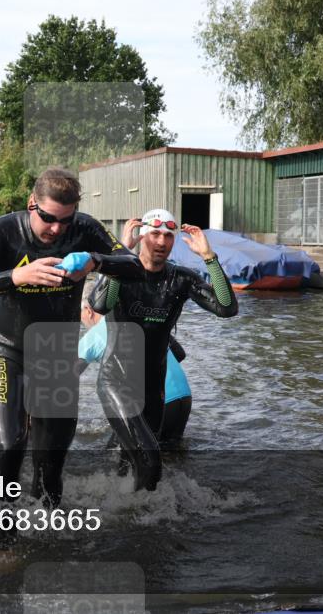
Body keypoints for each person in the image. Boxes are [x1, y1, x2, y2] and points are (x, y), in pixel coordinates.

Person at [0, 167, 144, 509]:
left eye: (65, 220)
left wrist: (95, 260)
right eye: (48, 218)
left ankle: (48, 535)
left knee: (51, 460)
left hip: (57, 355)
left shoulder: (84, 228)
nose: (57, 228)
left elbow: (134, 265)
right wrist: (16, 275)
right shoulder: (4, 230)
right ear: (33, 203)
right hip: (9, 351)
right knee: (9, 446)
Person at [87, 209, 237, 491]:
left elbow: (227, 307)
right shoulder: (125, 271)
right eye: (155, 233)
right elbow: (99, 305)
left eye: (168, 235)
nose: (162, 240)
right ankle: (140, 518)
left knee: (130, 460)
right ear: (143, 236)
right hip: (116, 382)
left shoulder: (180, 279)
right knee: (151, 460)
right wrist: (120, 256)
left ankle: (122, 512)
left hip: (153, 390)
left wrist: (209, 257)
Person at [77, 279, 193, 446]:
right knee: (169, 459)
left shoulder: (95, 335)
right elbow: (179, 353)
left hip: (157, 403)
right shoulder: (138, 319)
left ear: (88, 310)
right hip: (183, 398)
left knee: (115, 457)